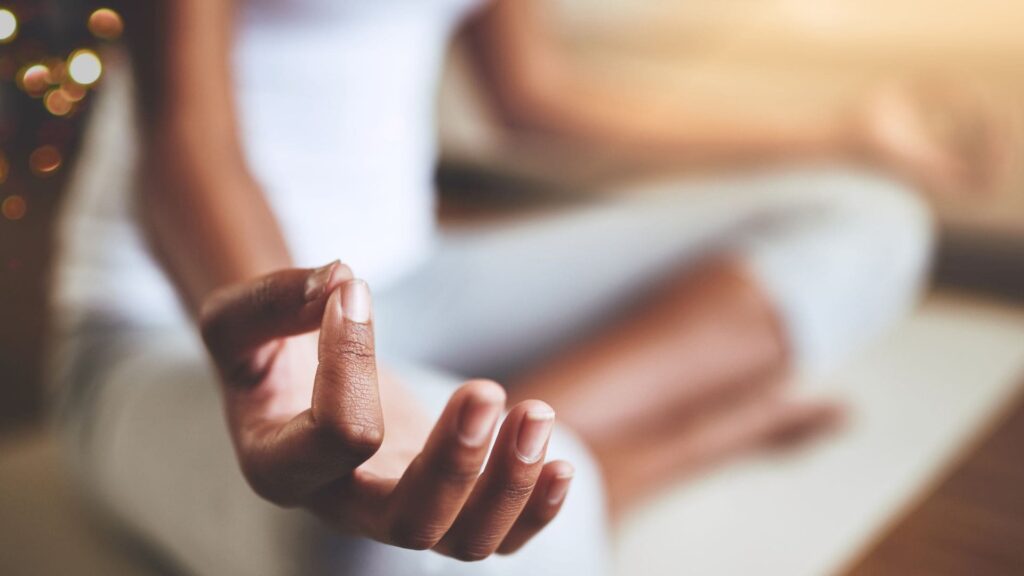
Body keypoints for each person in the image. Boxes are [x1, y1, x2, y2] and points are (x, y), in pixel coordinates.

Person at [50, 0, 1007, 574]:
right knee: (383, 551)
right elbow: (186, 142)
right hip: (168, 328)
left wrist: (846, 131)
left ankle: (550, 457)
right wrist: (293, 371)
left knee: (868, 222)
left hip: (420, 284)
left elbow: (535, 99)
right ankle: (635, 458)